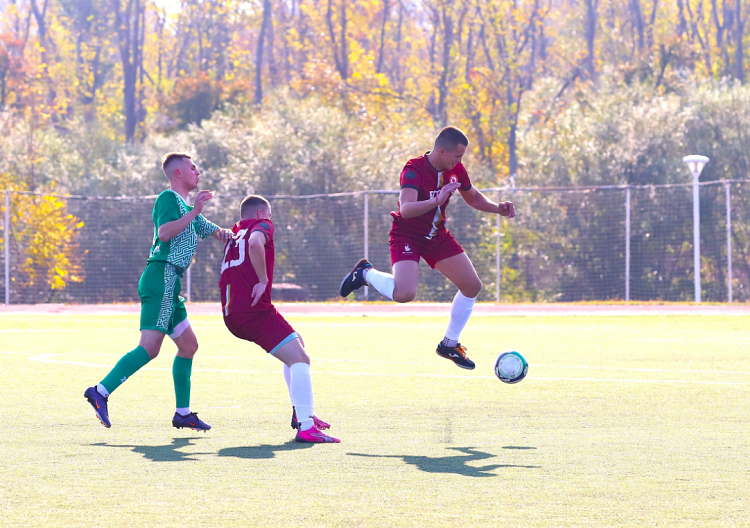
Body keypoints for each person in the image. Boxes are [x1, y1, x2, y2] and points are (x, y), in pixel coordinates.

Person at [340, 126, 515, 369]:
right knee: (404, 294)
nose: (459, 161)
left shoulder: (456, 170)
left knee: (472, 285)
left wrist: (498, 208)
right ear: (442, 151)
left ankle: (449, 344)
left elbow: (473, 196)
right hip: (407, 235)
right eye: (457, 156)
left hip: (436, 236)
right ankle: (365, 274)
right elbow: (406, 209)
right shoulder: (413, 170)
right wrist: (436, 200)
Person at [84, 152, 232, 431]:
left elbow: (213, 230)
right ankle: (100, 392)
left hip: (170, 281)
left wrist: (235, 233)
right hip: (161, 275)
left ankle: (183, 414)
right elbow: (164, 233)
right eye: (192, 167)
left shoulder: (187, 208)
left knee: (189, 346)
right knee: (149, 348)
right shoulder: (168, 198)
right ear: (178, 173)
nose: (197, 171)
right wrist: (196, 211)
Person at [219, 195, 339, 443]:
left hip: (234, 311)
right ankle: (306, 426)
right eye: (269, 216)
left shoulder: (235, 233)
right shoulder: (259, 227)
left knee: (296, 344)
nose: (270, 221)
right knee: (301, 359)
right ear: (262, 214)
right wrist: (262, 280)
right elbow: (255, 243)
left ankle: (301, 412)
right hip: (253, 311)